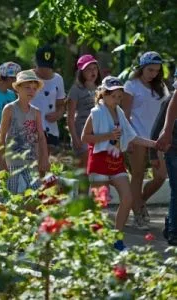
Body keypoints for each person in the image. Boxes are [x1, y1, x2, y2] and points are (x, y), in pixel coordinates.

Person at [82, 76, 156, 251]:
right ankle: (96, 242)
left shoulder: (120, 113)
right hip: (99, 160)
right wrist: (108, 136)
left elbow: (132, 136)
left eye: (119, 97)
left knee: (128, 198)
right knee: (100, 203)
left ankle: (117, 238)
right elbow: (85, 137)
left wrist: (154, 143)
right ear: (103, 94)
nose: (117, 100)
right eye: (113, 96)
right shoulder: (96, 113)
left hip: (116, 160)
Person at [122, 51, 170, 229]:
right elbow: (125, 115)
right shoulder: (131, 85)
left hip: (157, 139)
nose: (154, 74)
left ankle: (139, 202)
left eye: (157, 70)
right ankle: (139, 213)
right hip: (137, 137)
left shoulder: (162, 87)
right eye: (150, 70)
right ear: (141, 68)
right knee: (138, 174)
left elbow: (167, 112)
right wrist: (127, 139)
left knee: (160, 176)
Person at [0, 70, 49, 194]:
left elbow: (41, 137)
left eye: (34, 88)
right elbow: (1, 136)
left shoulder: (36, 112)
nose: (31, 91)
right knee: (11, 194)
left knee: (36, 192)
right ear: (18, 88)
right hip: (12, 160)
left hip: (31, 160)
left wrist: (44, 158)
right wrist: (1, 162)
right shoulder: (10, 109)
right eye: (27, 87)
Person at [152, 72, 177, 245]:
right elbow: (157, 128)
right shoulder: (170, 101)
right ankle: (174, 230)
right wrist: (153, 154)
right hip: (174, 146)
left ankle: (170, 223)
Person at [67, 54, 102, 168]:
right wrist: (75, 138)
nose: (93, 72)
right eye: (88, 69)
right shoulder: (75, 90)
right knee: (84, 168)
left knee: (97, 167)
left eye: (94, 68)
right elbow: (70, 117)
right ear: (81, 72)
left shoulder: (101, 88)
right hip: (81, 131)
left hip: (98, 132)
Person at [31, 45, 66, 154]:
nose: (45, 70)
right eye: (42, 66)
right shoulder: (27, 77)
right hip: (31, 127)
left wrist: (58, 114)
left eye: (48, 66)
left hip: (50, 128)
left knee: (46, 162)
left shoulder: (58, 79)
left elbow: (61, 104)